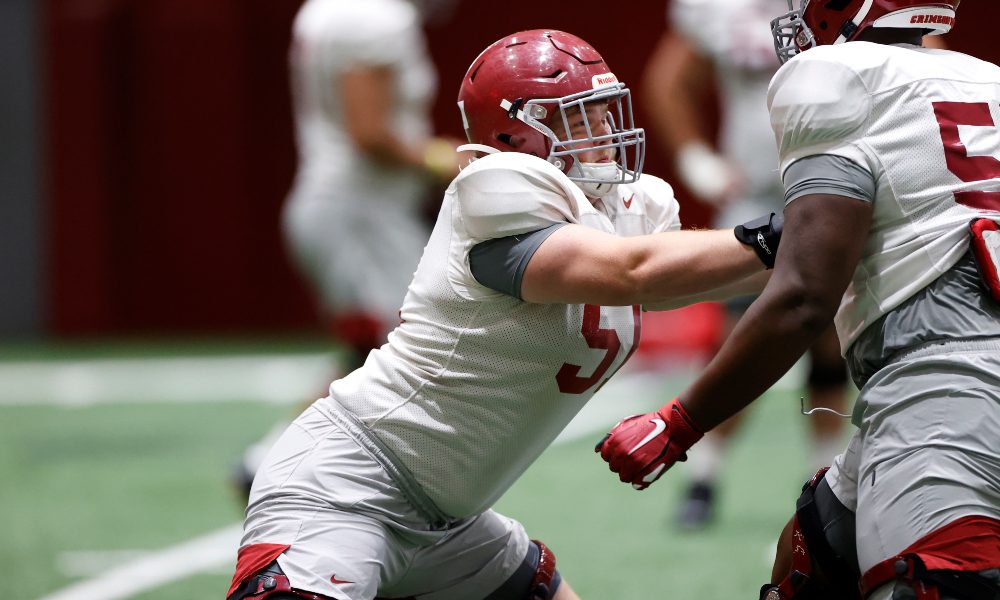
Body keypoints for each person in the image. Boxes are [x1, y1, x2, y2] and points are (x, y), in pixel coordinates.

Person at [226, 29, 784, 600]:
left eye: (602, 110)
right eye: (580, 118)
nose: (605, 133)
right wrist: (779, 233)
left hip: (451, 524)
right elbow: (630, 272)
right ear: (513, 134)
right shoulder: (498, 188)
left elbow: (672, 281)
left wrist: (824, 243)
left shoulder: (624, 207)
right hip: (350, 484)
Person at [598, 2, 1000, 599]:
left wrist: (679, 422)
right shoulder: (983, 76)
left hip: (948, 383)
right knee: (808, 556)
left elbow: (805, 298)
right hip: (942, 372)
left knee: (932, 583)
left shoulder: (835, 77)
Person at [232, 0, 461, 496]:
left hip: (356, 209)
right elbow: (369, 133)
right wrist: (452, 160)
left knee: (375, 357)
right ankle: (286, 467)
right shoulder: (373, 18)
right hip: (358, 214)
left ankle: (268, 461)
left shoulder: (333, 10)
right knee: (412, 353)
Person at [641, 0, 848, 529]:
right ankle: (704, 475)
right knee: (739, 335)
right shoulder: (715, 6)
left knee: (833, 342)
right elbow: (668, 81)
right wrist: (694, 155)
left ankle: (824, 477)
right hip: (758, 195)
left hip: (842, 189)